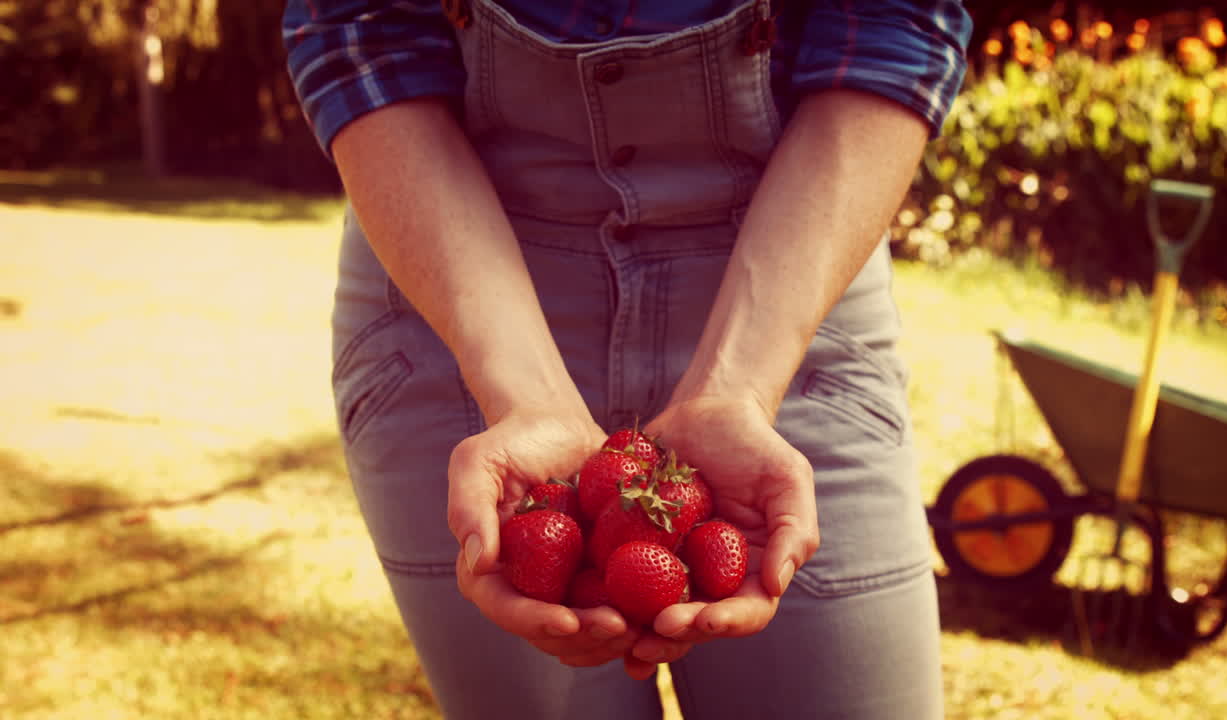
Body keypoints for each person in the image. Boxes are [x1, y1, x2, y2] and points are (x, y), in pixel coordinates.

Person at [284, 1, 971, 718]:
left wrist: (738, 390)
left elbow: (895, 24)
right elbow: (362, 29)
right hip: (452, 266)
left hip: (798, 259)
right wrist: (523, 399)